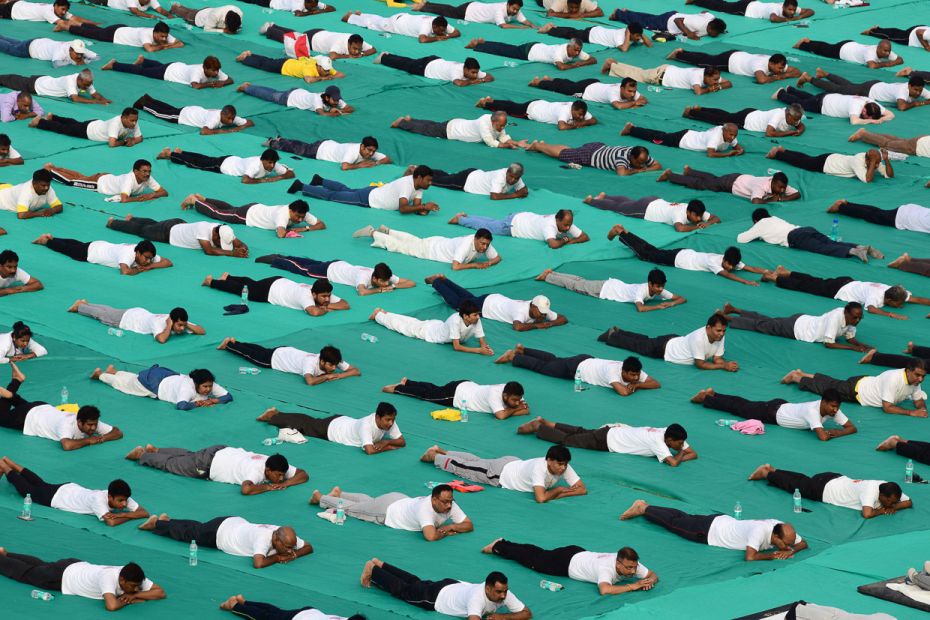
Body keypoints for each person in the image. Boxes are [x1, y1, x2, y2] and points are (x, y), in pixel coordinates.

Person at [619, 500, 807, 561]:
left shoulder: (783, 528)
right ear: (775, 535)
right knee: (674, 524)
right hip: (709, 532)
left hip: (720, 520)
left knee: (683, 517)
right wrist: (774, 555)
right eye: (784, 543)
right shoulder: (760, 531)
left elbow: (803, 543)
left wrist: (791, 550)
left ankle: (647, 505)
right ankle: (644, 509)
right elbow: (750, 557)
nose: (787, 546)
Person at [0, 457, 147, 526]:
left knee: (41, 483)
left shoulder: (121, 495)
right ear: (110, 496)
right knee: (29, 490)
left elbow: (144, 512)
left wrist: (126, 514)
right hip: (57, 498)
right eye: (120, 501)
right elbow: (111, 522)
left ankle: (11, 462)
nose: (124, 503)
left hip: (68, 488)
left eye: (125, 500)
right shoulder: (98, 500)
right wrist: (130, 515)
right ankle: (5, 466)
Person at [0, 370, 122, 450]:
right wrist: (89, 440)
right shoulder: (66, 425)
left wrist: (102, 438)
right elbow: (67, 445)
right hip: (27, 417)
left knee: (12, 400)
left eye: (95, 425)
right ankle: (15, 383)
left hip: (41, 407)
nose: (93, 428)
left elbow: (117, 432)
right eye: (90, 425)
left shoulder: (91, 421)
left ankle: (14, 388)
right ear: (79, 422)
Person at [362, 561, 530, 618]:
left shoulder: (505, 593)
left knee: (415, 583)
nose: (503, 596)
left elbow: (526, 613)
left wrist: (502, 618)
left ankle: (382, 564)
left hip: (452, 585)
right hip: (436, 597)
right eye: (499, 592)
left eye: (505, 591)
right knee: (404, 591)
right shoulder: (477, 598)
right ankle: (373, 570)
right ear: (487, 588)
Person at [420, 444, 587, 502]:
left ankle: (441, 451)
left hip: (512, 463)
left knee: (476, 461)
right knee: (464, 468)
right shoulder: (539, 468)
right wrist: (558, 491)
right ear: (549, 460)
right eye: (559, 464)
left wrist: (562, 493)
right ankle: (435, 457)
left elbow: (582, 489)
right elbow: (541, 498)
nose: (563, 468)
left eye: (565, 465)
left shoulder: (563, 465)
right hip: (498, 474)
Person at [0, 552, 164, 611]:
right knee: (27, 573)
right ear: (122, 579)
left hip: (74, 564)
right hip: (61, 578)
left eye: (137, 586)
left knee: (42, 564)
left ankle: (7, 553)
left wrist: (136, 595)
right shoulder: (108, 577)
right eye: (133, 587)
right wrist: (128, 600)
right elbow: (112, 606)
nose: (135, 589)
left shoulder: (133, 575)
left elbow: (160, 592)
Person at [483, 540, 656, 596]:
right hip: (565, 563)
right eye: (629, 568)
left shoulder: (632, 563)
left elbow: (653, 575)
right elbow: (604, 589)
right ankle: (498, 546)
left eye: (634, 568)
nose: (633, 572)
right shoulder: (606, 568)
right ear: (618, 563)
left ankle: (506, 542)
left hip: (578, 552)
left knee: (541, 554)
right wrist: (633, 586)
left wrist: (649, 581)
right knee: (534, 561)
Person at [609, 225, 766, 286]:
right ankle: (621, 233)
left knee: (652, 250)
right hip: (678, 259)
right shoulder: (714, 262)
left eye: (733, 265)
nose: (731, 267)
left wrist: (767, 272)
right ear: (724, 260)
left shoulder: (732, 259)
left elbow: (751, 267)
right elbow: (727, 275)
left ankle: (626, 232)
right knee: (645, 255)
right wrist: (746, 282)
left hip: (684, 252)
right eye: (729, 264)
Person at [125, 444, 309, 494]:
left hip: (221, 450)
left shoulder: (275, 462)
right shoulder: (256, 471)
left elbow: (303, 474)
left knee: (189, 454)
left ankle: (157, 449)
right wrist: (269, 487)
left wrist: (287, 483)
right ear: (267, 470)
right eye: (278, 476)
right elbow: (246, 489)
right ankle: (142, 455)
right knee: (172, 465)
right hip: (206, 466)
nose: (281, 478)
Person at [139, 514, 311, 567]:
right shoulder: (263, 539)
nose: (290, 549)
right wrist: (278, 558)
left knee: (197, 527)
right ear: (277, 540)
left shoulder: (284, 535)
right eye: (287, 547)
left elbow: (308, 547)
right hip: (220, 534)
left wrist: (294, 554)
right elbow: (258, 563)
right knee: (191, 535)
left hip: (233, 523)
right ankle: (157, 523)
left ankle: (169, 520)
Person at [310, 484, 474, 539]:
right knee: (353, 510)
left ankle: (341, 493)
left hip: (398, 499)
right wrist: (445, 531)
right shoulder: (425, 509)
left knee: (369, 502)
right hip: (387, 512)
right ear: (434, 500)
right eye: (444, 502)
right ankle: (321, 498)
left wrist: (451, 527)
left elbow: (468, 524)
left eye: (450, 501)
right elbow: (430, 536)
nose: (448, 506)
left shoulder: (450, 504)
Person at [762, 266, 929, 320]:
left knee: (814, 280)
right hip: (838, 289)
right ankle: (774, 278)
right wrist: (892, 315)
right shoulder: (877, 296)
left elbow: (917, 299)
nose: (902, 304)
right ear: (890, 300)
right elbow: (871, 309)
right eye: (898, 304)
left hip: (847, 280)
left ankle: (787, 271)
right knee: (806, 286)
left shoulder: (897, 291)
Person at [690, 387, 857, 441]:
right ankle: (706, 398)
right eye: (832, 407)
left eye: (837, 407)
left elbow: (852, 428)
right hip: (772, 412)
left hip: (783, 406)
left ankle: (714, 394)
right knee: (740, 407)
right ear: (823, 402)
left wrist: (840, 431)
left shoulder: (833, 409)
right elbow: (822, 437)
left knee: (743, 404)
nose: (835, 410)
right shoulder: (812, 411)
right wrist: (835, 433)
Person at [748, 464, 912, 518]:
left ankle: (775, 470)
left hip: (834, 478)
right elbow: (867, 514)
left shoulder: (889, 488)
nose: (893, 503)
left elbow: (908, 501)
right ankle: (767, 474)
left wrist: (893, 506)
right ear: (881, 496)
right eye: (890, 501)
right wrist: (884, 510)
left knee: (803, 480)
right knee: (795, 486)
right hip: (824, 490)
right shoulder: (871, 490)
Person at [518, 418, 695, 466]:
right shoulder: (659, 442)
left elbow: (693, 453)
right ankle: (539, 428)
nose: (682, 446)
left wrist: (682, 451)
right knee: (570, 440)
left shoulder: (666, 431)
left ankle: (547, 422)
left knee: (580, 431)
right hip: (607, 441)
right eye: (679, 443)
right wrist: (680, 453)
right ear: (670, 440)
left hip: (612, 431)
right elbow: (673, 463)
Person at [781, 360, 927, 417]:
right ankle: (796, 378)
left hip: (865, 381)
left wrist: (922, 409)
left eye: (923, 377)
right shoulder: (894, 378)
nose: (920, 379)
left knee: (833, 383)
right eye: (917, 375)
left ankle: (802, 373)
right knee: (827, 389)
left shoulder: (915, 382)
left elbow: (918, 399)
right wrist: (912, 413)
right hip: (857, 391)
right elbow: (887, 407)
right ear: (908, 370)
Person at [599, 313, 739, 371]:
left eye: (723, 331)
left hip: (676, 340)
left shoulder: (720, 336)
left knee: (646, 340)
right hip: (665, 349)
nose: (721, 334)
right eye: (718, 331)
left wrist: (725, 364)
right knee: (639, 346)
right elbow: (700, 364)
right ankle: (612, 336)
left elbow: (717, 357)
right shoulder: (698, 338)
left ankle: (621, 332)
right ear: (708, 328)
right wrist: (723, 366)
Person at [495, 346, 659, 395]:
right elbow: (623, 392)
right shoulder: (613, 372)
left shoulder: (633, 370)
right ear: (624, 372)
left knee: (554, 359)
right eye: (632, 375)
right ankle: (514, 357)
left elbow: (655, 383)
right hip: (576, 368)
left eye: (637, 374)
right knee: (544, 367)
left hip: (586, 357)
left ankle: (524, 350)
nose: (636, 377)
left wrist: (637, 385)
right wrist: (634, 386)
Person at [426, 274, 567, 331]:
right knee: (458, 304)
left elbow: (563, 318)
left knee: (467, 298)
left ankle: (445, 280)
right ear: (533, 306)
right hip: (486, 306)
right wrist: (539, 325)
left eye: (544, 314)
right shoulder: (521, 311)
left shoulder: (539, 308)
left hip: (493, 299)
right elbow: (517, 327)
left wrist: (549, 323)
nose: (543, 316)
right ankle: (437, 282)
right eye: (541, 313)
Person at [737, 208, 880, 262]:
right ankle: (861, 246)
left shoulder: (760, 224)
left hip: (795, 237)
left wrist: (755, 229)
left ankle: (854, 251)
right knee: (831, 243)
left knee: (823, 248)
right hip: (806, 229)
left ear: (756, 220)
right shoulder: (774, 218)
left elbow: (741, 239)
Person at [257, 402, 404, 454]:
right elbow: (370, 450)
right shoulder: (367, 425)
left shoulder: (389, 421)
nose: (390, 423)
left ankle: (277, 414)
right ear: (378, 417)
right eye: (388, 420)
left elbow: (401, 441)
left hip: (344, 421)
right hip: (333, 429)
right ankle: (273, 416)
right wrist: (390, 447)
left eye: (392, 420)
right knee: (305, 424)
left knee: (307, 421)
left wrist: (385, 442)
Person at [722, 301, 869, 350]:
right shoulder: (835, 318)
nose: (857, 320)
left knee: (768, 321)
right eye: (855, 317)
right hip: (796, 329)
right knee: (762, 325)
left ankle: (734, 309)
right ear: (846, 313)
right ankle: (728, 318)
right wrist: (854, 348)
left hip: (801, 320)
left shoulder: (850, 319)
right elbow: (829, 344)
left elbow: (850, 337)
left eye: (859, 318)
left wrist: (865, 346)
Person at [288, 168, 435, 214]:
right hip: (368, 199)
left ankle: (320, 181)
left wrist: (425, 208)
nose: (430, 183)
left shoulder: (419, 187)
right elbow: (403, 209)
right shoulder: (406, 185)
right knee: (333, 196)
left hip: (375, 191)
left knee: (347, 190)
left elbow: (417, 209)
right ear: (419, 177)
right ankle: (301, 186)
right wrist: (423, 207)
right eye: (428, 180)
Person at [538, 267, 685, 312]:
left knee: (580, 281)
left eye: (662, 286)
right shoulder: (641, 290)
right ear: (650, 284)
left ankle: (552, 273)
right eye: (658, 286)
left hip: (609, 285)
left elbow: (681, 298)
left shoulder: (659, 290)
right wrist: (659, 306)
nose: (661, 290)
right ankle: (547, 277)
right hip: (603, 290)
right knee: (575, 286)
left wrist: (672, 303)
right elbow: (640, 308)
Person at [354, 226, 501, 270]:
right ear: (475, 239)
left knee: (413, 240)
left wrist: (488, 263)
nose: (484, 247)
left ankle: (389, 231)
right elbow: (455, 266)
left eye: (486, 244)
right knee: (401, 247)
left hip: (438, 242)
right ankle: (372, 232)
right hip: (431, 250)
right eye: (482, 243)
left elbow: (497, 257)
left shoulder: (485, 242)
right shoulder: (466, 245)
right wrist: (476, 264)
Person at [218, 339, 359, 385]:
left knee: (260, 349)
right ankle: (229, 345)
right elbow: (310, 381)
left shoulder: (332, 358)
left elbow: (355, 371)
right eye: (331, 365)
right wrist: (326, 376)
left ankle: (235, 341)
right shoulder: (310, 362)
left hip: (286, 351)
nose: (334, 368)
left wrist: (339, 375)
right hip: (275, 360)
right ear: (322, 361)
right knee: (250, 355)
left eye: (335, 365)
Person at [368, 304, 491, 356]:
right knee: (404, 327)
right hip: (428, 333)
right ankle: (378, 316)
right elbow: (457, 347)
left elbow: (481, 340)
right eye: (475, 315)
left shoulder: (476, 320)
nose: (478, 317)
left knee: (412, 321)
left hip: (437, 325)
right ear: (465, 316)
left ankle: (384, 313)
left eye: (477, 314)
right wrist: (479, 351)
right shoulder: (455, 321)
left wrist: (485, 348)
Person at [256, 254, 414, 294]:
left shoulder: (383, 275)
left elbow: (410, 282)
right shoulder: (364, 277)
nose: (386, 283)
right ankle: (277, 260)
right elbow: (362, 292)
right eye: (383, 282)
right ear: (374, 278)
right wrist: (380, 290)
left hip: (338, 264)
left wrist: (393, 285)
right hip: (329, 272)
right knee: (302, 269)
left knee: (309, 262)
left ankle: (284, 256)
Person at [92, 364, 231, 409]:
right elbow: (182, 405)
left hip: (166, 375)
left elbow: (228, 396)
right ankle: (101, 376)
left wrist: (215, 400)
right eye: (205, 387)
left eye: (209, 386)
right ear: (196, 383)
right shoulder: (187, 388)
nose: (208, 389)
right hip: (154, 384)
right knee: (127, 385)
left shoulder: (208, 382)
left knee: (135, 378)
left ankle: (116, 371)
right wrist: (199, 404)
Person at [382, 377, 528, 419]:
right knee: (428, 396)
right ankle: (397, 389)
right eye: (514, 400)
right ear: (505, 395)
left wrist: (515, 407)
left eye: (518, 400)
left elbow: (525, 410)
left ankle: (408, 382)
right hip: (457, 395)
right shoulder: (494, 395)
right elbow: (501, 416)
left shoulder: (511, 391)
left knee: (436, 389)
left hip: (465, 385)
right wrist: (515, 409)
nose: (517, 402)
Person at [202, 274, 349, 315]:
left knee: (252, 283)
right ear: (314, 294)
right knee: (244, 290)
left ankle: (228, 276)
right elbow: (314, 312)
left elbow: (345, 304)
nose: (327, 299)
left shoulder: (321, 292)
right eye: (323, 297)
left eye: (328, 296)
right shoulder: (305, 296)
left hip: (279, 282)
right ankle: (211, 282)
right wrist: (326, 309)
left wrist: (328, 305)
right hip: (270, 291)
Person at [106, 215, 247, 258]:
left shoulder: (224, 229)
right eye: (219, 241)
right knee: (142, 230)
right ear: (215, 234)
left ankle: (133, 218)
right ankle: (113, 223)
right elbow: (209, 250)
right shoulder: (203, 229)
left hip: (178, 224)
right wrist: (233, 253)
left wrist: (244, 248)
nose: (220, 243)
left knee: (154, 223)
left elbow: (240, 243)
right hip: (167, 233)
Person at [184, 195, 323, 236]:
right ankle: (194, 201)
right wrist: (291, 231)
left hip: (255, 207)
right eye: (297, 217)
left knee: (231, 209)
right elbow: (280, 234)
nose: (300, 220)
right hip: (248, 215)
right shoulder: (282, 215)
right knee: (218, 214)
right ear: (291, 211)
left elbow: (321, 224)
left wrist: (304, 228)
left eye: (302, 217)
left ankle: (204, 199)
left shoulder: (301, 212)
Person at [69, 300, 204, 342]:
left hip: (138, 312)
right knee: (102, 316)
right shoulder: (159, 324)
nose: (182, 328)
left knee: (110, 310)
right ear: (172, 321)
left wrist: (187, 325)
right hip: (127, 320)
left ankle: (86, 303)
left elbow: (201, 331)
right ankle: (79, 307)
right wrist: (168, 327)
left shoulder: (179, 320)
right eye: (179, 325)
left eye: (183, 325)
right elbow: (161, 339)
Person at [34, 235, 172, 275]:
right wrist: (138, 270)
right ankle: (47, 241)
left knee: (76, 243)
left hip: (99, 244)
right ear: (137, 252)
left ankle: (52, 237)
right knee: (67, 249)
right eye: (146, 258)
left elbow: (168, 262)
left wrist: (150, 266)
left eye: (150, 258)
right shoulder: (128, 254)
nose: (148, 260)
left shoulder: (145, 253)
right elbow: (124, 271)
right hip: (90, 253)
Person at [797, 71, 929, 111]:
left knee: (848, 86)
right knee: (840, 90)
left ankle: (825, 74)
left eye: (920, 91)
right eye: (916, 90)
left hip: (875, 85)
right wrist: (918, 103)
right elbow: (901, 107)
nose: (918, 93)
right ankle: (809, 79)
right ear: (910, 86)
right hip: (869, 90)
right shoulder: (902, 90)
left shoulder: (919, 89)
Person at [448, 209, 586, 247]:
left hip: (522, 216)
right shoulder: (549, 225)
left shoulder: (565, 221)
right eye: (565, 225)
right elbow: (553, 244)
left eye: (569, 224)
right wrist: (565, 240)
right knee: (489, 227)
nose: (568, 228)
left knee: (493, 222)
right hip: (514, 225)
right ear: (557, 219)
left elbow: (585, 236)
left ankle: (467, 216)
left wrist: (571, 240)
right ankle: (460, 219)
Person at [45, 160, 166, 202]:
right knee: (72, 182)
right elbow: (124, 199)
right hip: (99, 184)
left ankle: (55, 168)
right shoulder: (129, 180)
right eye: (144, 171)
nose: (147, 174)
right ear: (135, 171)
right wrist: (140, 199)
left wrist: (152, 194)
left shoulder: (147, 178)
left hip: (106, 177)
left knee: (81, 178)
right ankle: (49, 171)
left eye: (149, 171)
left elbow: (164, 192)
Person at [659, 167, 800, 202]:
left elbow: (797, 193)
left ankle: (689, 171)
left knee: (712, 179)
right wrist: (770, 200)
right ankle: (670, 176)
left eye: (783, 188)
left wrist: (782, 198)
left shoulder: (780, 184)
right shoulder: (762, 186)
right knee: (702, 185)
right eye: (779, 187)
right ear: (772, 182)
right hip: (731, 183)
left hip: (738, 178)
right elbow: (756, 201)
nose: (781, 190)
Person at [156, 147, 294, 184]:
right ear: (262, 160)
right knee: (197, 164)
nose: (272, 166)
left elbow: (290, 173)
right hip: (224, 166)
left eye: (273, 163)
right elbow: (245, 180)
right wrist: (268, 180)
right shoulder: (255, 166)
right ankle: (170, 155)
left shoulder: (274, 164)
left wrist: (279, 177)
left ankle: (182, 152)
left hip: (231, 159)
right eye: (269, 163)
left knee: (205, 159)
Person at [392, 111, 525, 148]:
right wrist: (506, 146)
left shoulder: (496, 122)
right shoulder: (483, 124)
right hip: (451, 131)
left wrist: (515, 142)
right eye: (501, 125)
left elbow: (502, 135)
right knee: (426, 130)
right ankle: (402, 123)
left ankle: (411, 119)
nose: (502, 127)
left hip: (456, 123)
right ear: (494, 121)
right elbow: (491, 142)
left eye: (504, 125)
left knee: (432, 125)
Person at [766, 145, 893, 184]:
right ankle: (778, 154)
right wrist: (872, 164)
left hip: (833, 158)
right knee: (803, 162)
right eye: (875, 163)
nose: (877, 166)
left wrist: (886, 160)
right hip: (826, 164)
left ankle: (785, 150)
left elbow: (889, 175)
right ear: (867, 161)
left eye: (878, 163)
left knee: (807, 158)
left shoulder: (874, 161)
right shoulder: (858, 161)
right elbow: (868, 179)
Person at [589, 196, 718, 232]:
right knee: (619, 208)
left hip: (654, 200)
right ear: (689, 212)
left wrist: (708, 223)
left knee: (628, 202)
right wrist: (698, 226)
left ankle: (605, 196)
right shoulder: (679, 212)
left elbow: (715, 218)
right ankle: (592, 201)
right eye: (696, 216)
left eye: (700, 216)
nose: (699, 218)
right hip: (645, 209)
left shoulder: (695, 210)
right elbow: (679, 228)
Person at [668, 49, 799, 84]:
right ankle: (680, 54)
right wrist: (780, 77)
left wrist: (782, 73)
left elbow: (796, 71)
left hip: (739, 55)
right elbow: (762, 80)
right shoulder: (759, 64)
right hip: (730, 61)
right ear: (771, 63)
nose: (780, 70)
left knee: (709, 57)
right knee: (705, 62)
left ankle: (684, 52)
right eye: (779, 68)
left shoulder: (775, 63)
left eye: (782, 68)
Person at [525, 141, 659, 175]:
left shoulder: (640, 154)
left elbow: (657, 165)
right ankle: (538, 146)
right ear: (632, 157)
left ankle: (544, 146)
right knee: (563, 154)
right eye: (639, 162)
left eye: (644, 161)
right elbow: (622, 173)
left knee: (570, 150)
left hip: (599, 148)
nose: (643, 164)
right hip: (590, 155)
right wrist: (640, 170)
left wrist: (645, 168)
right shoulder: (622, 157)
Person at [620, 121, 743, 158]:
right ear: (724, 131)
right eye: (731, 135)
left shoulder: (729, 135)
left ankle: (633, 129)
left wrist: (739, 149)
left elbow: (737, 146)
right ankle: (631, 130)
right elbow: (710, 154)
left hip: (689, 133)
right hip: (682, 139)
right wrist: (728, 154)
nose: (732, 138)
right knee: (657, 138)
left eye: (734, 135)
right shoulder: (715, 137)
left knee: (660, 134)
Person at [463, 36, 595, 71]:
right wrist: (578, 65)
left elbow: (592, 59)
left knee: (507, 48)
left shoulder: (576, 50)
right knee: (505, 50)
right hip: (529, 51)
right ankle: (479, 44)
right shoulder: (558, 52)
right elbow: (561, 67)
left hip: (538, 46)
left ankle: (484, 43)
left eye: (579, 50)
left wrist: (581, 61)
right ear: (569, 46)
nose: (577, 53)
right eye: (575, 50)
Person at [602, 60, 731, 95]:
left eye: (717, 79)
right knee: (637, 76)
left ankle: (616, 64)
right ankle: (612, 65)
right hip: (659, 75)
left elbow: (728, 83)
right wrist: (711, 89)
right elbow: (698, 92)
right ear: (706, 76)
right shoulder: (696, 76)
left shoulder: (710, 74)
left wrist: (717, 85)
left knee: (639, 72)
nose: (716, 81)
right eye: (714, 80)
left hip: (666, 70)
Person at [135, 95, 252, 134]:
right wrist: (225, 131)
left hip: (192, 110)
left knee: (170, 109)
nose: (231, 121)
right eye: (229, 118)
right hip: (185, 116)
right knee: (162, 114)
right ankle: (143, 104)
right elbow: (204, 131)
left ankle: (149, 99)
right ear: (222, 114)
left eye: (232, 119)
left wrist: (239, 126)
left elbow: (250, 122)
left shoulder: (230, 115)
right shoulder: (214, 119)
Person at [103, 54, 232, 89]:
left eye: (217, 71)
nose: (216, 74)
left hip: (176, 66)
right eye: (213, 71)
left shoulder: (215, 69)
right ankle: (115, 65)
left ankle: (145, 60)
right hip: (168, 73)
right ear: (205, 68)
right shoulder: (196, 72)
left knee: (157, 66)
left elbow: (230, 79)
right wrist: (210, 84)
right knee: (142, 72)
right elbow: (195, 86)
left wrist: (222, 83)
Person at [30, 107, 141, 147]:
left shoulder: (133, 122)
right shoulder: (115, 124)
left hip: (97, 123)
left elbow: (140, 137)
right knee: (64, 129)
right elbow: (112, 144)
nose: (134, 123)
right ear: (124, 118)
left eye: (135, 120)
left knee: (74, 123)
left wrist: (134, 141)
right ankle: (40, 122)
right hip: (89, 131)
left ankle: (53, 117)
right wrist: (126, 142)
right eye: (132, 121)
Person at [775, 87, 894, 123]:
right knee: (803, 104)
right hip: (823, 104)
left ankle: (791, 89)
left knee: (809, 97)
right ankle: (781, 94)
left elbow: (890, 114)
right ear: (863, 111)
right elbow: (854, 121)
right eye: (867, 117)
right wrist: (872, 121)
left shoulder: (872, 103)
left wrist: (881, 119)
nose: (868, 119)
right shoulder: (856, 105)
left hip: (828, 96)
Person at [265, 135, 391, 170]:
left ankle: (282, 139)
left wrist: (376, 163)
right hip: (320, 150)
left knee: (302, 145)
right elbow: (345, 166)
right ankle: (272, 143)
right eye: (369, 150)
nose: (371, 154)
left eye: (373, 152)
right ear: (362, 146)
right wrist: (360, 165)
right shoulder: (352, 151)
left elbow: (387, 159)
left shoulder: (371, 153)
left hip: (329, 144)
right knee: (298, 149)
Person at [684, 103, 805, 137]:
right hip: (746, 120)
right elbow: (769, 133)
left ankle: (702, 108)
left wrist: (799, 130)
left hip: (752, 112)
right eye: (795, 119)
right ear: (788, 115)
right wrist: (789, 132)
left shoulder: (793, 116)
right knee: (720, 121)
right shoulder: (778, 115)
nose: (796, 122)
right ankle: (691, 112)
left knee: (726, 116)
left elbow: (801, 125)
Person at [528, 75, 646, 110]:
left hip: (593, 82)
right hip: (585, 90)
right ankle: (538, 82)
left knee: (570, 83)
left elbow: (644, 99)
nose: (632, 94)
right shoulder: (613, 92)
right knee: (565, 89)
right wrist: (634, 103)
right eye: (629, 91)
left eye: (633, 92)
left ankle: (551, 78)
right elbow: (618, 106)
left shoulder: (630, 89)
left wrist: (637, 99)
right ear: (621, 88)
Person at [0, 68, 111, 105]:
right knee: (9, 80)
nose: (87, 88)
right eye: (85, 85)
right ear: (79, 79)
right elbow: (75, 98)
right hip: (36, 85)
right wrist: (96, 102)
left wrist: (104, 99)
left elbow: (94, 93)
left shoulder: (87, 81)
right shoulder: (70, 81)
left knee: (14, 78)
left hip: (45, 80)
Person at [262, 23, 375, 58]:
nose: (356, 51)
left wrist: (363, 53)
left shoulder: (358, 41)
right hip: (313, 39)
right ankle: (269, 30)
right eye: (354, 49)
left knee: (297, 34)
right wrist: (349, 56)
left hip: (320, 32)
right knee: (291, 41)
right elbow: (333, 56)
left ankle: (274, 25)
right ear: (349, 44)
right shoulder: (340, 43)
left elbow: (373, 49)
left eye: (358, 49)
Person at [376, 52, 494, 86]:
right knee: (405, 64)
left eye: (476, 72)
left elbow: (490, 76)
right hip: (426, 67)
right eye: (473, 72)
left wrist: (481, 80)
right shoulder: (456, 70)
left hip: (436, 60)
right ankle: (384, 57)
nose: (475, 75)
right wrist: (473, 81)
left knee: (409, 61)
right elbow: (458, 83)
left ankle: (389, 56)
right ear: (465, 69)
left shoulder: (472, 70)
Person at [476, 96, 596, 130]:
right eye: (579, 114)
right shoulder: (565, 111)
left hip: (539, 103)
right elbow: (562, 126)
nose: (581, 116)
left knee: (513, 105)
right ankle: (485, 104)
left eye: (582, 114)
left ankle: (492, 100)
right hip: (531, 111)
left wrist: (583, 121)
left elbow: (593, 120)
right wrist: (577, 124)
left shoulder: (578, 107)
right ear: (573, 110)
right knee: (510, 110)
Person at [238, 83, 352, 116]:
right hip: (289, 98)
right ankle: (247, 88)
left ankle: (252, 85)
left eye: (338, 100)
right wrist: (333, 112)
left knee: (273, 91)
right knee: (269, 95)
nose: (337, 102)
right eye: (334, 100)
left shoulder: (335, 98)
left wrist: (340, 110)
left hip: (299, 92)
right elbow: (321, 113)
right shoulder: (317, 99)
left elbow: (350, 108)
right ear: (327, 97)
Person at [420, 163, 527, 199]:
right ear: (507, 172)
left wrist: (521, 191)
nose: (513, 180)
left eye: (516, 178)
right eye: (511, 177)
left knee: (447, 177)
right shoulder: (500, 176)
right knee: (439, 181)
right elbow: (494, 196)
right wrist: (515, 195)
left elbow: (524, 190)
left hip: (474, 173)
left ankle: (423, 169)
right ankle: (419, 172)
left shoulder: (516, 176)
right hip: (466, 181)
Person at [610, 8, 726, 40]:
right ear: (710, 27)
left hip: (672, 15)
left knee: (650, 18)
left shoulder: (711, 19)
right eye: (715, 33)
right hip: (668, 22)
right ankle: (618, 14)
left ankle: (628, 12)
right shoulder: (697, 24)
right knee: (645, 23)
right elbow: (678, 21)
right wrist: (689, 33)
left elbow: (705, 12)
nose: (716, 35)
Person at [219, 595, 365, 620]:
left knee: (277, 611)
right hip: (299, 618)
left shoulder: (349, 619)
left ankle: (245, 602)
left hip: (310, 611)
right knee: (266, 618)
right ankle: (235, 605)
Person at [65, 22, 184, 52]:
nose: (164, 39)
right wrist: (165, 46)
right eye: (162, 37)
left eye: (165, 37)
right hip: (115, 34)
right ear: (155, 32)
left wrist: (166, 44)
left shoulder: (163, 33)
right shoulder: (146, 34)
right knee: (94, 34)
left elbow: (180, 43)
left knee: (99, 31)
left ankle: (78, 23)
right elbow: (150, 49)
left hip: (123, 29)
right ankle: (66, 27)